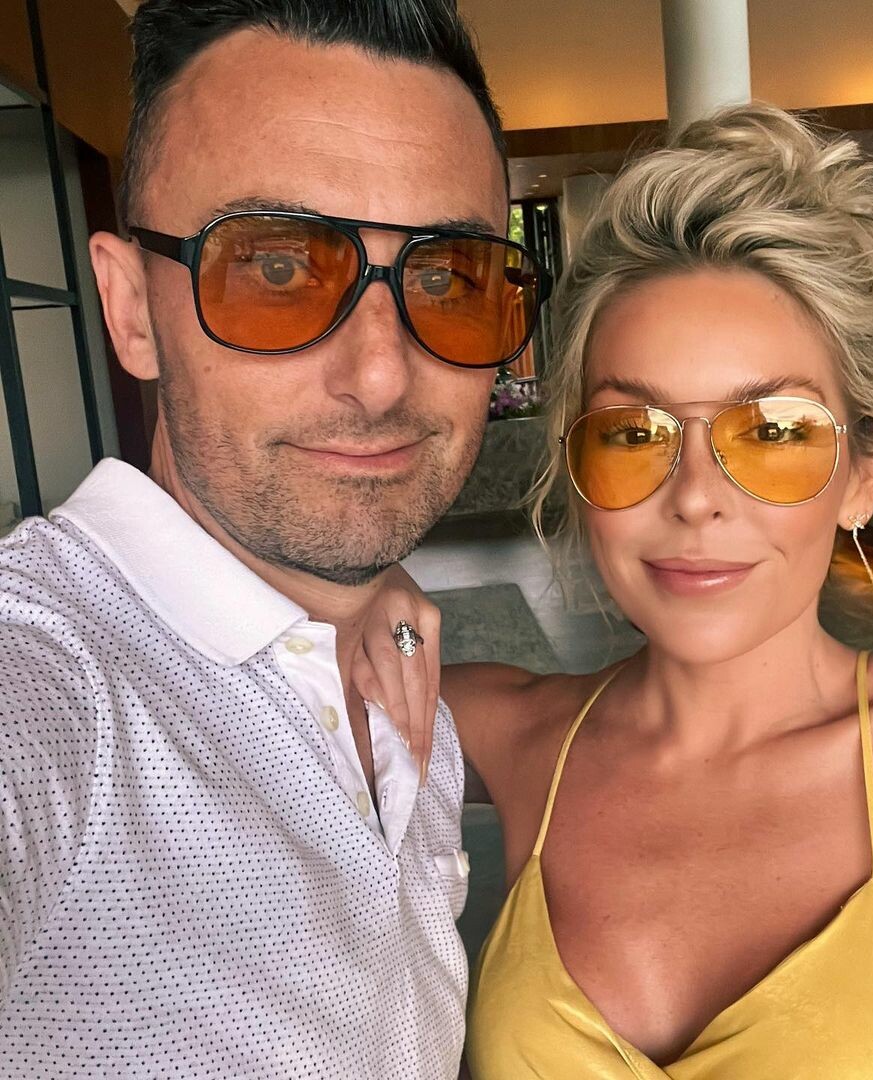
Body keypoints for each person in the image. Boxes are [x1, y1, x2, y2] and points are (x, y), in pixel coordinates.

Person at [376, 104, 873, 1077]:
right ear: (578, 470)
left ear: (864, 474)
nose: (696, 497)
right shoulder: (510, 734)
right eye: (634, 434)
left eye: (775, 431)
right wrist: (374, 594)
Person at [0, 1, 550, 1076]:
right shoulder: (46, 688)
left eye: (446, 278)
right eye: (277, 270)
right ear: (131, 310)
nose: (381, 375)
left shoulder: (395, 672)